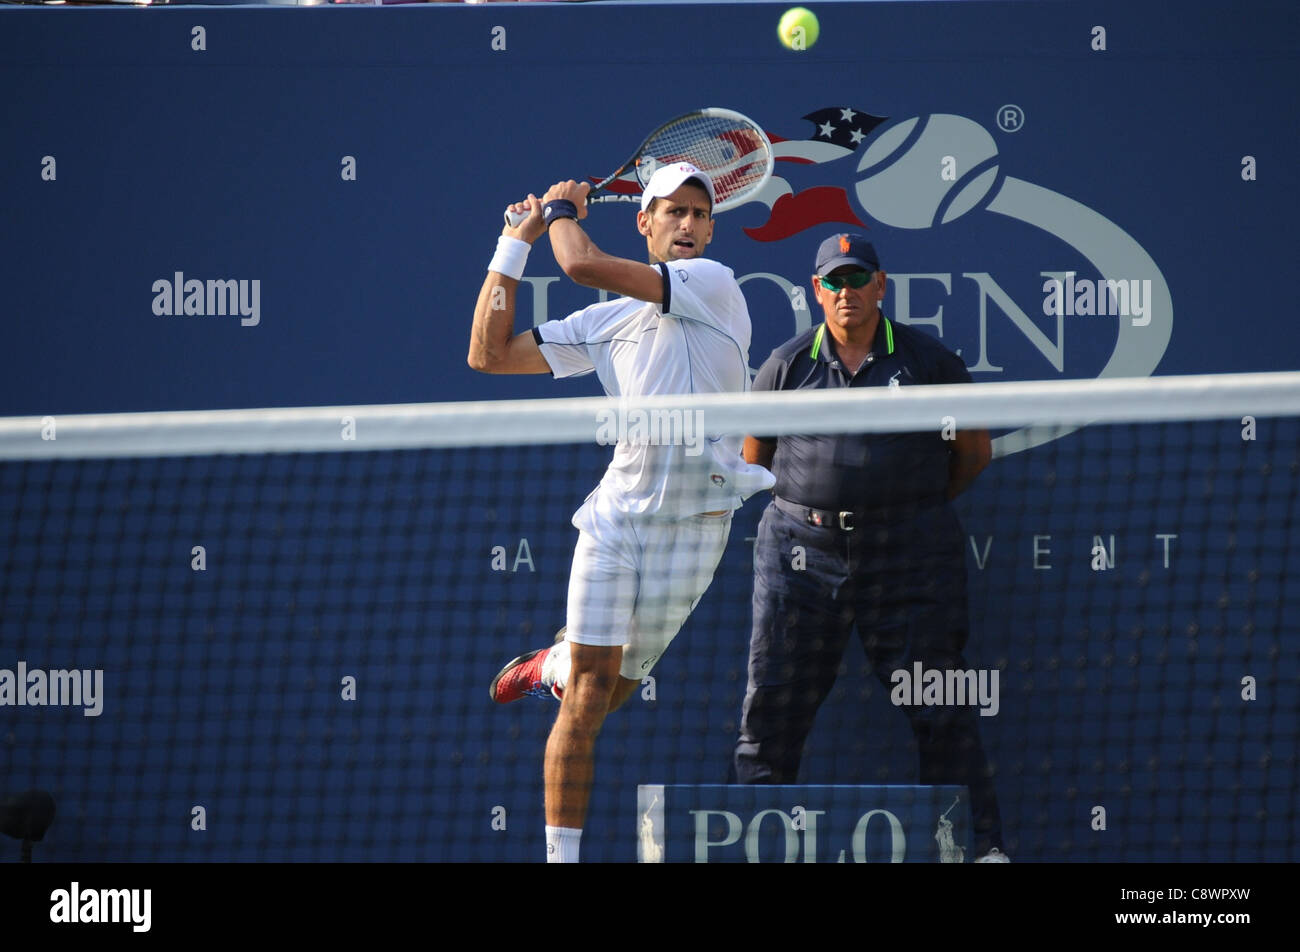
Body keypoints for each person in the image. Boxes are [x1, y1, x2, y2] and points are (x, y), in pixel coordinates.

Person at [469, 163, 774, 863]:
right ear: (645, 222)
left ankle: (552, 663)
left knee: (607, 693)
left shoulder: (716, 286)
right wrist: (513, 244)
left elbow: (578, 263)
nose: (689, 225)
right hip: (616, 522)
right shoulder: (607, 323)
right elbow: (487, 356)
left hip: (697, 529)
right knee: (588, 694)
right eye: (673, 212)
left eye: (700, 214)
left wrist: (558, 212)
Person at [732, 232, 1009, 862]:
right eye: (834, 281)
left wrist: (900, 510)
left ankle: (978, 850)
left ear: (881, 286)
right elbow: (756, 457)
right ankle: (747, 850)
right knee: (771, 709)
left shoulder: (931, 362)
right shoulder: (786, 364)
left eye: (858, 279)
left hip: (910, 555)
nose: (846, 292)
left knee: (941, 705)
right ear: (817, 291)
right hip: (798, 557)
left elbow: (972, 454)